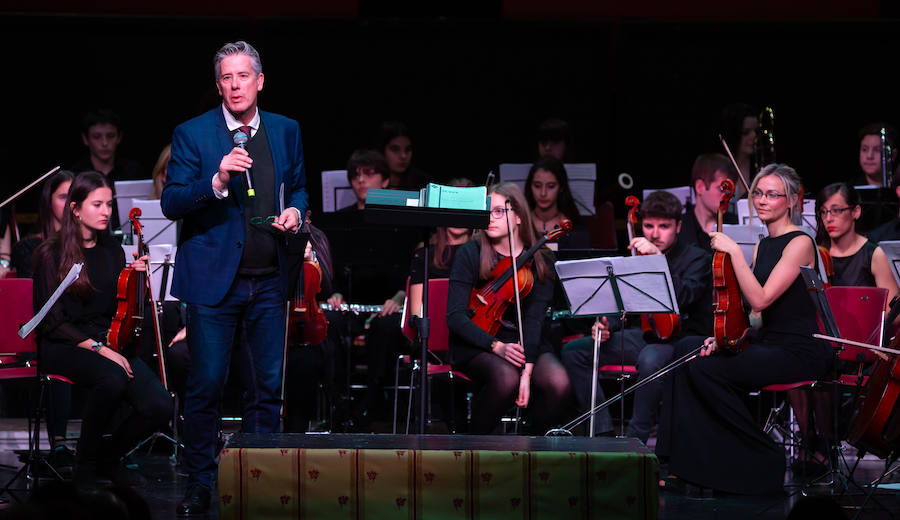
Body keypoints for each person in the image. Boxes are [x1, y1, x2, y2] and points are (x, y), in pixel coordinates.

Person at [160, 41, 308, 516]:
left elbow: (300, 186)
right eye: (226, 78)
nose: (235, 85)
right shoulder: (193, 133)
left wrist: (294, 211)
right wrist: (217, 182)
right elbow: (173, 202)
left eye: (243, 76)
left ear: (259, 81)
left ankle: (261, 483)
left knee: (266, 388)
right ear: (219, 84)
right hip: (213, 283)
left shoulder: (286, 130)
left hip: (269, 279)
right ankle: (200, 483)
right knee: (205, 386)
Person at [659, 163, 832, 494]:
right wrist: (727, 336)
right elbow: (753, 317)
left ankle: (762, 459)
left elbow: (761, 300)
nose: (762, 201)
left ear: (793, 200)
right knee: (685, 351)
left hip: (799, 350)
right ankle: (679, 464)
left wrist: (734, 252)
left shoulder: (801, 243)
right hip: (766, 341)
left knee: (709, 371)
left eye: (772, 194)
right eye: (758, 193)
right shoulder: (762, 245)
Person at [33, 171, 172, 489]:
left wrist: (135, 279)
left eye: (109, 204)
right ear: (76, 209)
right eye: (97, 204)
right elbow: (53, 322)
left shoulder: (113, 250)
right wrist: (102, 350)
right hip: (63, 342)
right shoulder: (49, 254)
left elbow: (118, 308)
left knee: (159, 405)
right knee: (112, 377)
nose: (107, 211)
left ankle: (106, 457)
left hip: (104, 338)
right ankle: (85, 465)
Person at [560, 190, 711, 439]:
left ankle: (635, 439)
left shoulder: (697, 258)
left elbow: (684, 298)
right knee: (575, 352)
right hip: (644, 335)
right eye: (649, 226)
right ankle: (602, 433)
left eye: (664, 226)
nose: (654, 233)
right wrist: (608, 324)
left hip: (679, 340)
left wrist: (657, 260)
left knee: (650, 359)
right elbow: (628, 307)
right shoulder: (635, 255)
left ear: (678, 227)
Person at [446, 182, 572, 434]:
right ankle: (474, 443)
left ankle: (528, 445)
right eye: (486, 212)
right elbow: (455, 316)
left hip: (524, 342)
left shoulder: (542, 258)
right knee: (506, 379)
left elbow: (534, 320)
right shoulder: (470, 252)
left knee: (559, 383)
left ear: (517, 217)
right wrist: (496, 346)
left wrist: (528, 372)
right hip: (478, 342)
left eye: (498, 212)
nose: (489, 218)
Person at [11, 170, 75, 279]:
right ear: (48, 200)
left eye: (74, 197)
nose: (70, 203)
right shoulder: (28, 248)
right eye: (64, 197)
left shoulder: (87, 243)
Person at [678, 153, 738, 254]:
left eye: (729, 191)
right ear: (700, 187)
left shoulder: (736, 226)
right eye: (722, 189)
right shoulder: (680, 229)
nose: (729, 199)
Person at [525, 157, 581, 235]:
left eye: (551, 186)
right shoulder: (520, 225)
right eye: (537, 186)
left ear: (561, 188)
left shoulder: (573, 227)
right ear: (530, 186)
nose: (543, 193)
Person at [378, 121, 427, 190]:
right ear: (382, 151)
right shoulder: (370, 183)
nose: (403, 156)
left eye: (408, 149)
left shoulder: (423, 185)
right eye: (395, 149)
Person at [851, 123, 899, 187]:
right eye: (864, 149)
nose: (869, 156)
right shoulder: (848, 191)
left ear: (893, 155)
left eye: (877, 150)